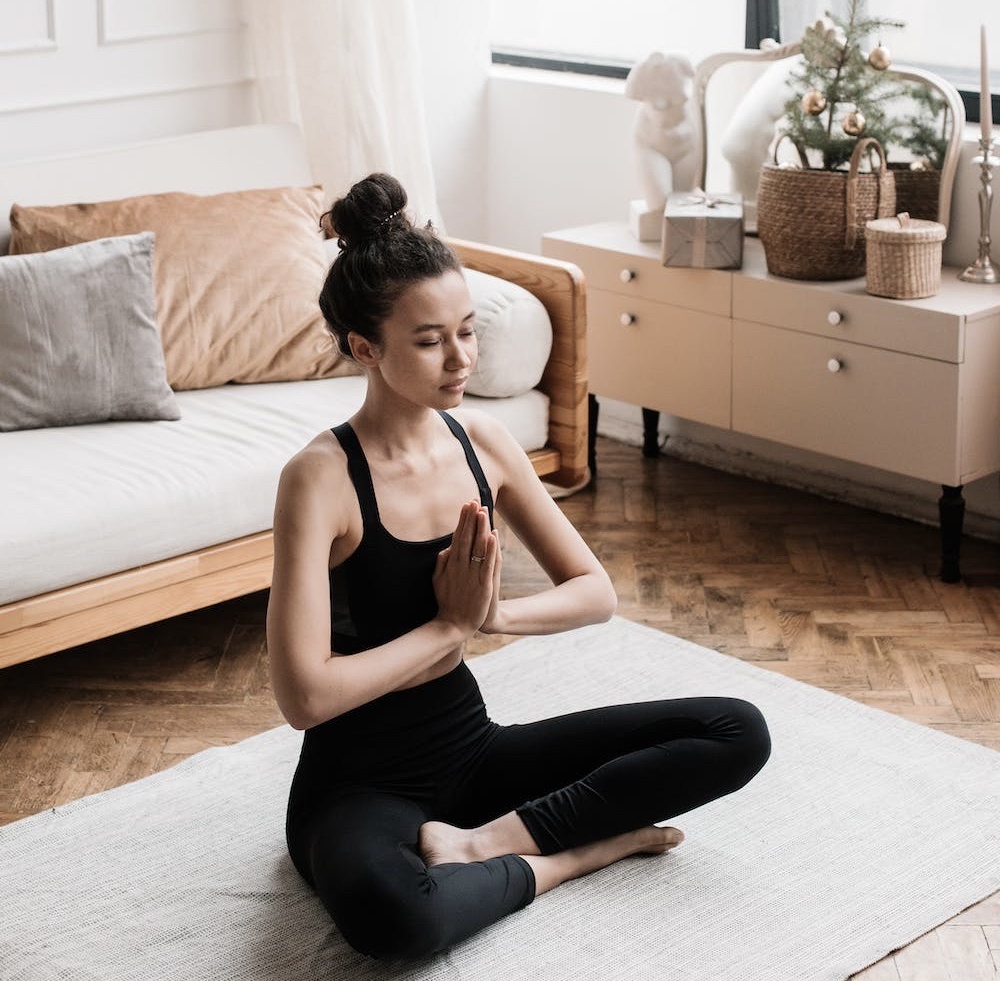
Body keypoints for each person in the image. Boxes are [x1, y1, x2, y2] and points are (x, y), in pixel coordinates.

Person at [266, 172, 771, 962]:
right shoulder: (319, 479)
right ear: (365, 347)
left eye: (467, 331)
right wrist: (450, 628)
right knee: (394, 921)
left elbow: (595, 594)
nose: (460, 358)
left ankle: (493, 842)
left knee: (736, 730)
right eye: (429, 341)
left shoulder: (485, 444)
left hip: (472, 750)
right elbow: (305, 697)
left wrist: (495, 616)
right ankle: (569, 856)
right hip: (356, 786)